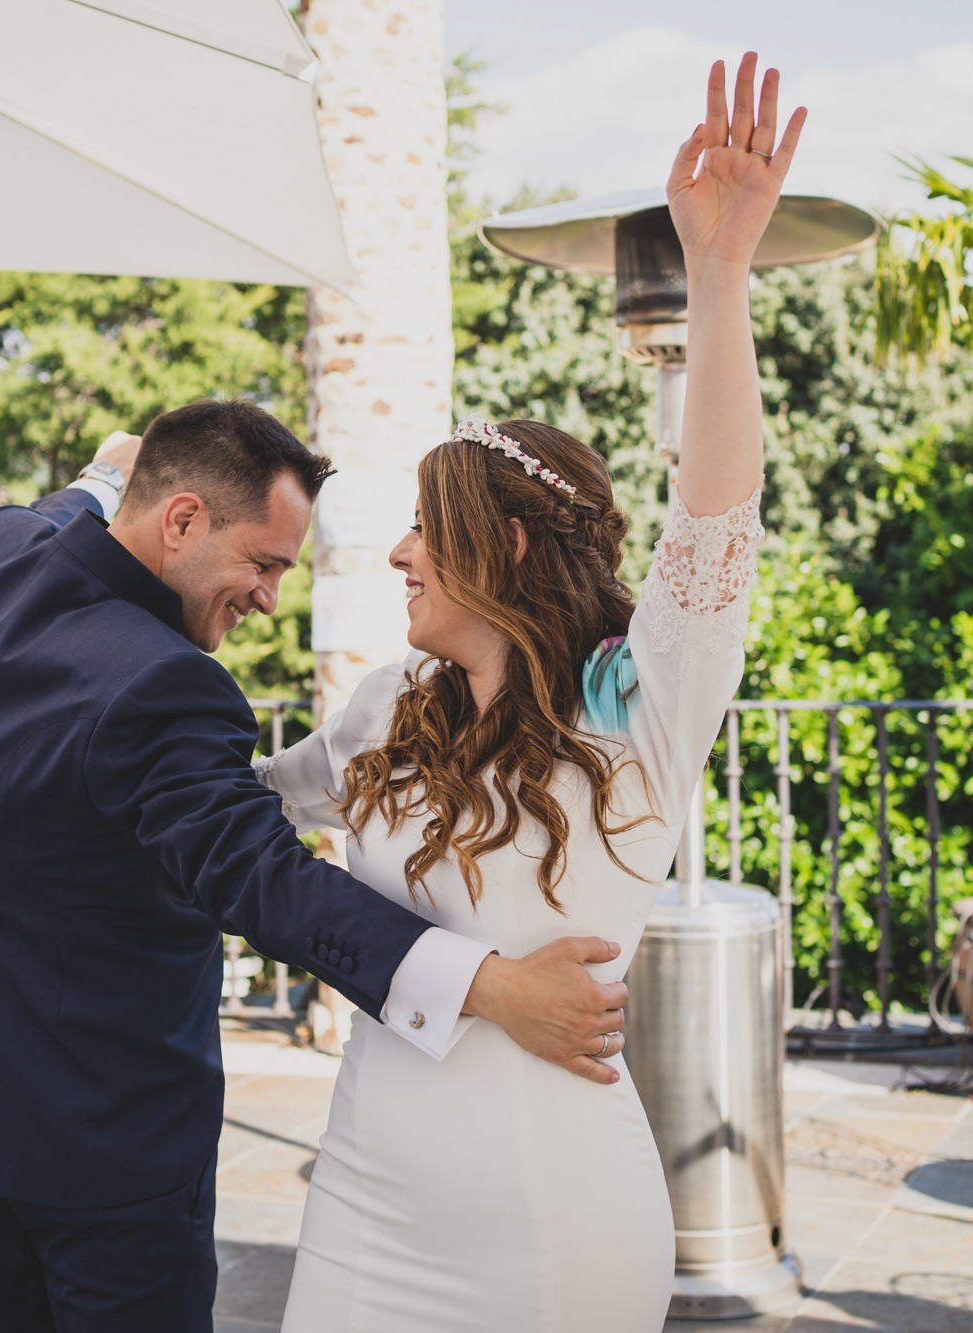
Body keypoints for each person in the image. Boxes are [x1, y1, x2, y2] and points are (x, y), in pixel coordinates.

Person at [0, 405, 633, 1324]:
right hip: (107, 1142)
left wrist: (111, 469)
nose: (266, 596)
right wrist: (491, 986)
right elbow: (267, 881)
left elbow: (88, 496)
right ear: (181, 518)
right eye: (262, 563)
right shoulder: (162, 681)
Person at [265, 53, 802, 1331]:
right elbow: (234, 809)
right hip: (357, 1208)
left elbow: (713, 512)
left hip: (554, 1228)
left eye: (421, 525)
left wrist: (717, 272)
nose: (396, 551)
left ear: (502, 544)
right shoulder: (387, 702)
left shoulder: (641, 702)